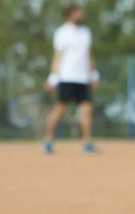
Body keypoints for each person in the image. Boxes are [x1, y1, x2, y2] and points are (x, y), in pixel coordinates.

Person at [43, 4, 100, 154]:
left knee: (87, 110)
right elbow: (58, 57)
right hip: (66, 77)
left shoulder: (86, 32)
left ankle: (87, 143)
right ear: (69, 15)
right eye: (77, 12)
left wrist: (94, 75)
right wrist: (52, 78)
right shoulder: (62, 33)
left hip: (83, 78)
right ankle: (48, 140)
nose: (80, 14)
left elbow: (89, 55)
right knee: (60, 110)